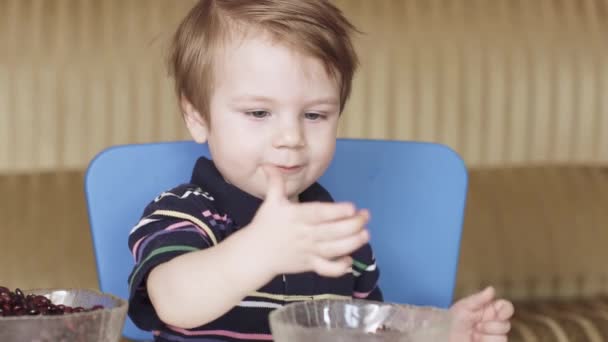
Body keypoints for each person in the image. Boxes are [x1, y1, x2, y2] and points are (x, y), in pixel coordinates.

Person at [127, 1, 514, 341]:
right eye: (259, 113)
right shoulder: (188, 211)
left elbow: (366, 334)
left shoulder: (338, 238)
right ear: (198, 117)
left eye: (314, 115)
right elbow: (173, 302)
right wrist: (261, 250)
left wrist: (439, 333)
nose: (291, 137)